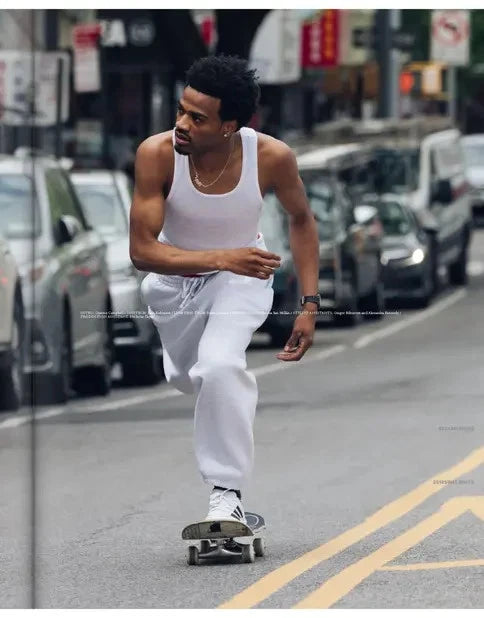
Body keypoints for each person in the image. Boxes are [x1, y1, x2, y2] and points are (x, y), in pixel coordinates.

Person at [129, 55, 320, 525]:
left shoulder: (271, 157)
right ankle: (203, 385)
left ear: (230, 126)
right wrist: (220, 257)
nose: (182, 124)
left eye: (197, 118)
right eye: (181, 111)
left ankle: (225, 492)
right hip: (173, 286)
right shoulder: (156, 154)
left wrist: (309, 304)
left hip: (243, 279)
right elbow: (142, 251)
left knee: (219, 366)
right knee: (189, 377)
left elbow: (301, 219)